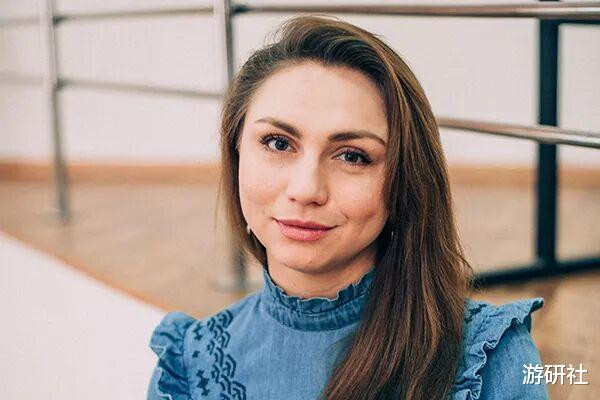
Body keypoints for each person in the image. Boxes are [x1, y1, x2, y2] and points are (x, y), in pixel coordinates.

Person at [146, 15, 548, 400]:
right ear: (236, 153)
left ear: (404, 180)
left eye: (352, 156)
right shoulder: (187, 367)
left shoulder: (492, 359)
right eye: (278, 143)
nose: (306, 190)